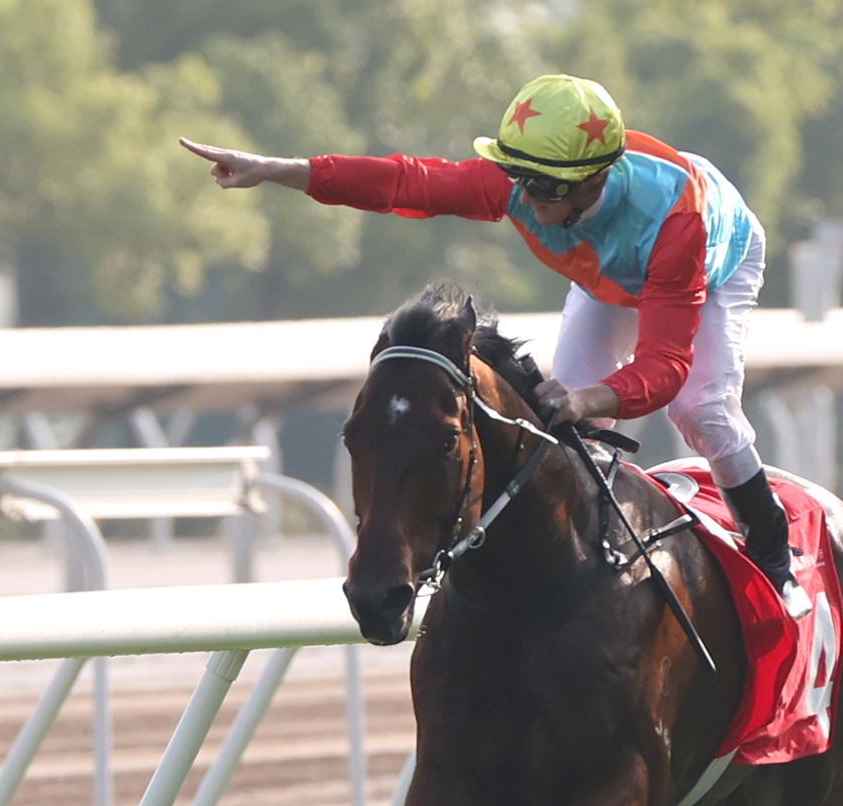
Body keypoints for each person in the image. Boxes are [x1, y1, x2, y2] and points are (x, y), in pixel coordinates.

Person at [181, 72, 808, 615]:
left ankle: (775, 552)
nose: (523, 199)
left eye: (540, 188)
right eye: (516, 178)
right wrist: (279, 171)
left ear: (590, 183)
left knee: (699, 409)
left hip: (711, 263)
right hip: (609, 265)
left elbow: (666, 366)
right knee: (563, 428)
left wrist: (591, 396)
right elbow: (407, 183)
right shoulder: (525, 183)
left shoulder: (680, 224)